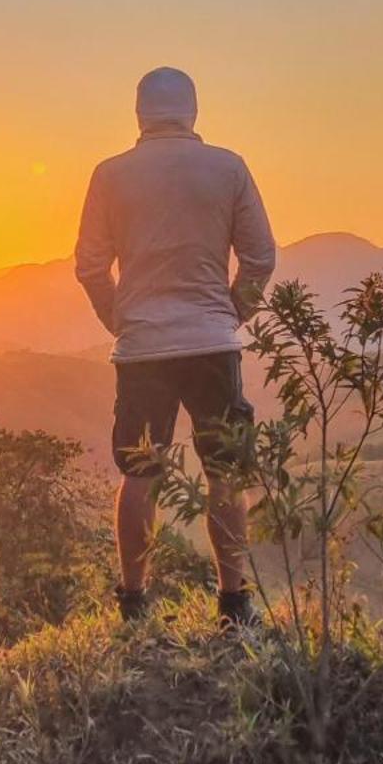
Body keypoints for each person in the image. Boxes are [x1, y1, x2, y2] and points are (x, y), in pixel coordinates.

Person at [74, 66, 276, 625]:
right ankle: (234, 604)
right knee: (226, 472)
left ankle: (134, 602)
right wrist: (230, 312)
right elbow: (260, 257)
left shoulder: (110, 175)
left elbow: (90, 264)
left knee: (140, 472)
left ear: (138, 112)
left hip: (142, 347)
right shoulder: (227, 168)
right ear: (193, 111)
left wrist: (120, 319)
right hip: (212, 343)